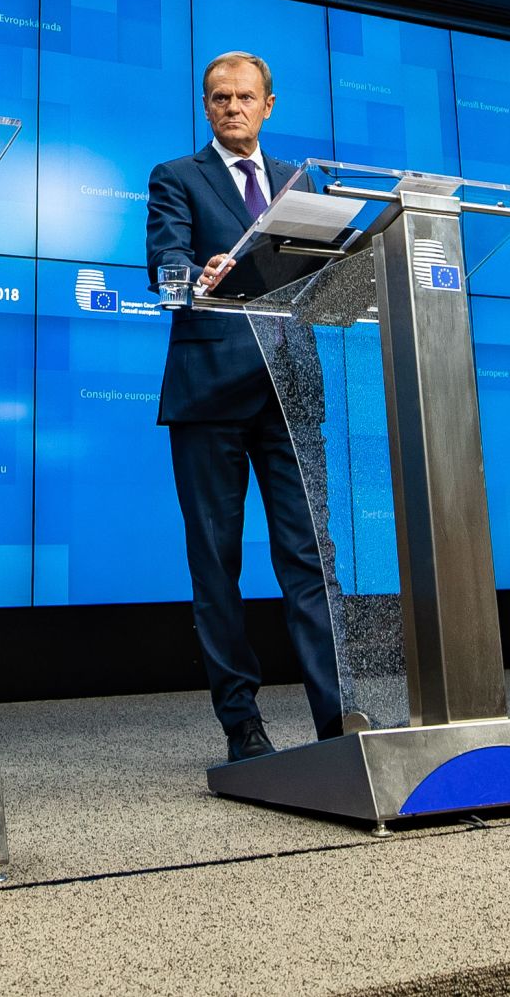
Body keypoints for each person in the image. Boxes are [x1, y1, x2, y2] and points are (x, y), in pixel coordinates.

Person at [145, 51, 343, 762]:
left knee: (311, 560)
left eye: (245, 96)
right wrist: (196, 274)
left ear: (269, 104)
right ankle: (243, 727)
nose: (232, 107)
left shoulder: (300, 181)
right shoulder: (177, 176)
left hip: (291, 391)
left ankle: (338, 721)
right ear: (207, 106)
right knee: (216, 565)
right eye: (220, 97)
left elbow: (326, 278)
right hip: (210, 390)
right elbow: (165, 264)